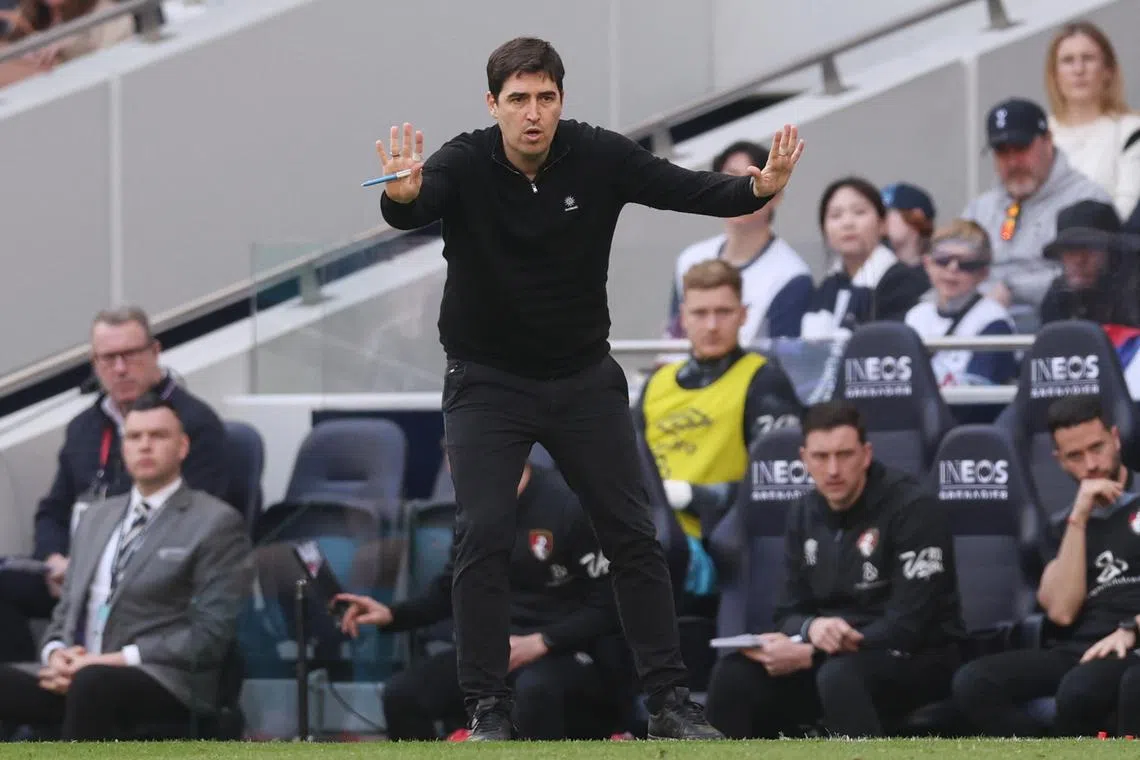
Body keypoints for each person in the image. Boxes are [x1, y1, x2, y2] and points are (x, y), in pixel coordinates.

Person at [374, 36, 805, 741]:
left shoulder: (597, 154)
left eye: (545, 97)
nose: (533, 113)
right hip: (487, 381)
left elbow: (685, 187)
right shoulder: (462, 159)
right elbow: (416, 205)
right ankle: (488, 710)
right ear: (494, 106)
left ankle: (669, 703)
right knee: (481, 533)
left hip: (580, 379)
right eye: (518, 100)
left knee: (635, 534)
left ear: (561, 100)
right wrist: (402, 193)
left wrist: (758, 187)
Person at [703, 401, 964, 739]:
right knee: (734, 674)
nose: (833, 469)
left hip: (918, 657)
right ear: (804, 459)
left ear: (866, 454)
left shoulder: (914, 509)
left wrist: (811, 651)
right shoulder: (803, 511)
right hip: (832, 657)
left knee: (840, 675)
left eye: (844, 455)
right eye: (821, 457)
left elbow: (907, 626)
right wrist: (812, 628)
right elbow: (787, 612)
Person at [0, 393, 252, 741]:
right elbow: (66, 610)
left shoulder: (215, 522)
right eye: (135, 437)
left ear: (182, 447)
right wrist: (56, 654)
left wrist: (108, 661)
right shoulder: (95, 518)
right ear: (123, 448)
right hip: (81, 672)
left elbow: (209, 634)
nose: (145, 446)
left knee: (93, 685)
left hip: (162, 677)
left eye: (158, 436)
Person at [334, 459, 627, 741]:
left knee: (533, 691)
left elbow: (611, 605)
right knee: (403, 694)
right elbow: (454, 586)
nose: (456, 470)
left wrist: (544, 641)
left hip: (565, 651)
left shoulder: (568, 505)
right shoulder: (473, 511)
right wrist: (393, 615)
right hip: (493, 656)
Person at [0, 307, 229, 665]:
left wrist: (94, 567)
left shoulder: (193, 425)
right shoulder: (84, 428)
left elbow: (197, 525)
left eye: (131, 355)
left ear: (155, 352)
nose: (120, 369)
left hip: (148, 582)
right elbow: (53, 511)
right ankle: (37, 689)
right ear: (94, 363)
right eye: (109, 358)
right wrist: (55, 560)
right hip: (72, 574)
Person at [951, 396, 1140, 737]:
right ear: (1059, 461)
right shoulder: (1061, 525)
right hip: (1077, 648)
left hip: (1132, 641)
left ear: (1115, 437)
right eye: (1075, 457)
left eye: (1097, 448)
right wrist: (1079, 519)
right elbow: (1063, 612)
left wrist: (1132, 627)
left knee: (1080, 689)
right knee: (973, 683)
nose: (1091, 465)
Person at [637, 259, 804, 610]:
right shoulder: (657, 384)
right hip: (652, 538)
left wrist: (691, 495)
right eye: (700, 313)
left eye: (723, 312)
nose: (711, 325)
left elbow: (778, 485)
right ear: (683, 317)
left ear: (743, 315)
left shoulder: (764, 381)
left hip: (720, 547)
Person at [962, 97, 1111, 311]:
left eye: (1021, 148)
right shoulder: (980, 208)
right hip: (978, 322)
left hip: (1050, 327)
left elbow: (1087, 277)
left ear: (1048, 140)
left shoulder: (1087, 201)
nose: (1013, 162)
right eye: (1002, 151)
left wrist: (1011, 288)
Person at [664, 140, 813, 342]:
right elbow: (673, 341)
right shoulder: (689, 259)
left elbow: (783, 358)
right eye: (730, 178)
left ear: (777, 195)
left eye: (752, 179)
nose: (740, 189)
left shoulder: (792, 275)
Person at [800, 177, 929, 339]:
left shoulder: (902, 282)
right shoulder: (828, 286)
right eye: (835, 215)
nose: (847, 223)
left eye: (859, 212)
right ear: (824, 231)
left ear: (882, 224)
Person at [1044, 20, 1140, 221]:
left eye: (1088, 58)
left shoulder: (1131, 130)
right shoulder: (1041, 134)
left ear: (1108, 71)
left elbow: (1127, 207)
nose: (1079, 70)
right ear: (1054, 75)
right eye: (1068, 60)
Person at [904, 219, 1018, 387]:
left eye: (966, 264)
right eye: (943, 260)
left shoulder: (994, 321)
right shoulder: (916, 315)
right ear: (927, 264)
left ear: (983, 273)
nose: (952, 269)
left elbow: (978, 399)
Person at [882, 182, 937, 268]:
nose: (879, 219)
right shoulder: (871, 270)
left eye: (886, 213)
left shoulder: (937, 273)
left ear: (916, 218)